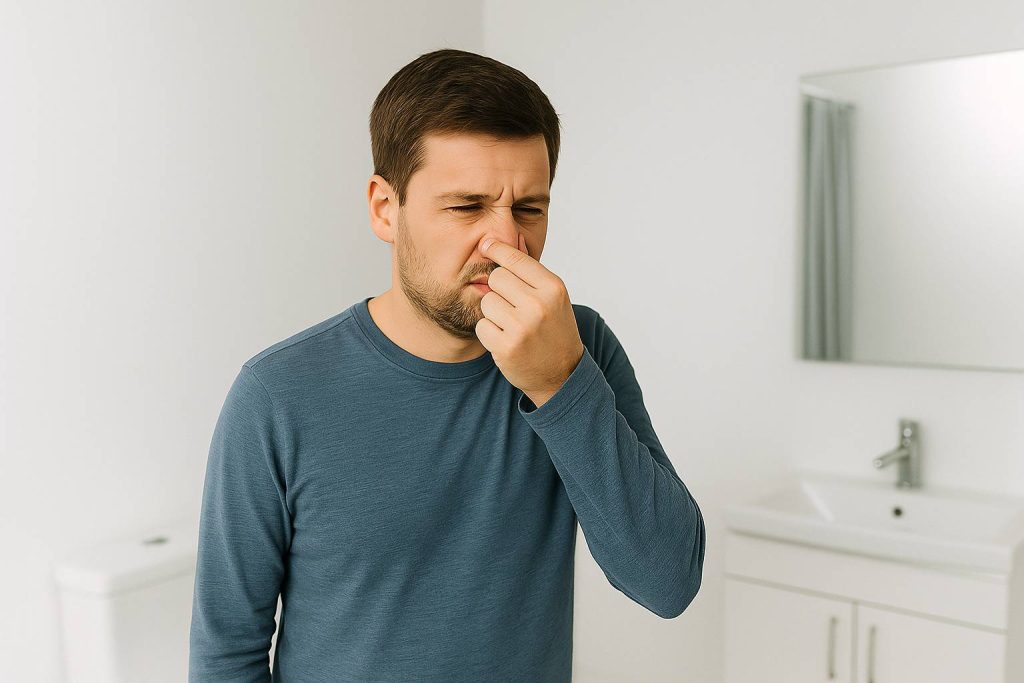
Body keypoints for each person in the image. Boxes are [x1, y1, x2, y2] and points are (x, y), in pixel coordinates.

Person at [188, 47, 705, 682]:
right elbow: (225, 656)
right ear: (385, 207)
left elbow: (668, 583)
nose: (506, 243)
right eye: (466, 207)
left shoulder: (578, 347)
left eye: (530, 208)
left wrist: (558, 383)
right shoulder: (277, 393)